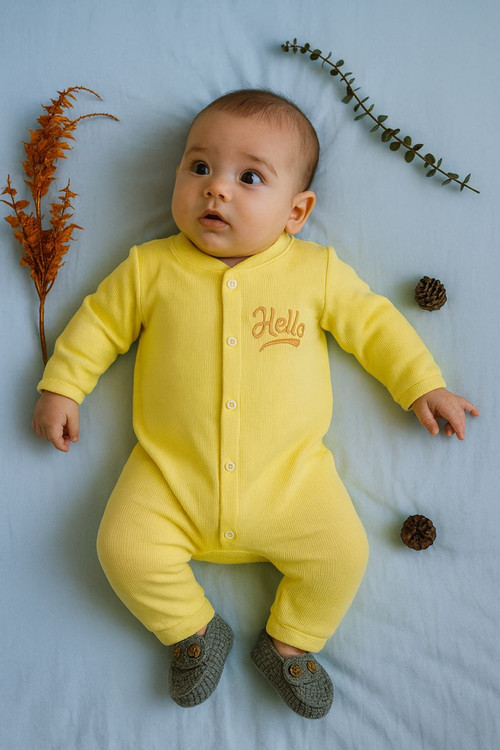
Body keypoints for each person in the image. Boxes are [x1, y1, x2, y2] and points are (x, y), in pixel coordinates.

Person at [32, 89, 479, 719]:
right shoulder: (150, 268)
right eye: (199, 167)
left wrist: (421, 384)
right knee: (123, 548)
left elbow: (375, 325)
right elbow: (99, 325)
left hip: (291, 483)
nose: (216, 189)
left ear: (296, 210)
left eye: (249, 177)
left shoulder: (315, 272)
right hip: (170, 476)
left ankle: (290, 642)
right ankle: (192, 629)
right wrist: (63, 385)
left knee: (342, 555)